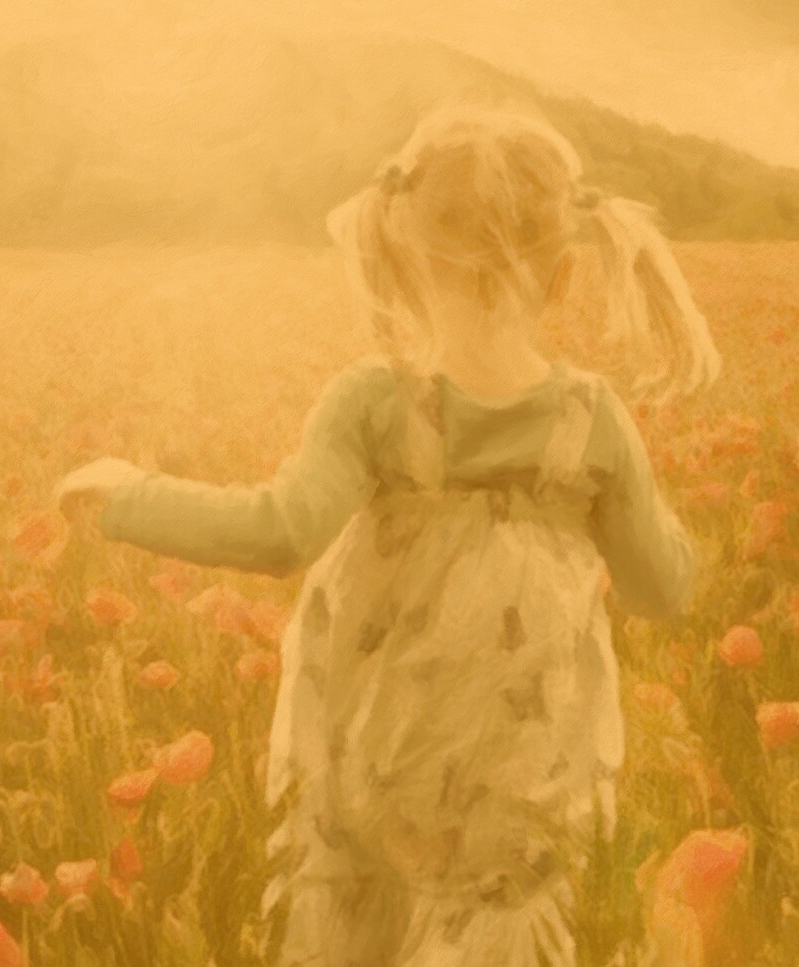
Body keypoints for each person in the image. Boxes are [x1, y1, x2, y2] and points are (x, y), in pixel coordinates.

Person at [53, 103, 721, 966]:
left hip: (369, 776)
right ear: (562, 276)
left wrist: (128, 495)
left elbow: (278, 531)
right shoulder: (592, 422)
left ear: (400, 256)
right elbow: (660, 589)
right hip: (518, 796)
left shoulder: (374, 403)